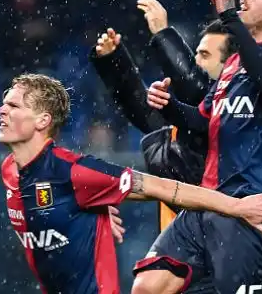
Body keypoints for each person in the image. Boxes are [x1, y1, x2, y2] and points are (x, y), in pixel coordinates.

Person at [0, 73, 262, 294]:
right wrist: (90, 216)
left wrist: (237, 206)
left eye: (12, 105)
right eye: (3, 103)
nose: (1, 111)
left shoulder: (75, 172)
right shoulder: (10, 169)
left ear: (42, 120)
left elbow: (165, 188)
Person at [135, 0, 262, 293]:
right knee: (148, 286)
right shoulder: (232, 65)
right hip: (208, 202)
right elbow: (204, 120)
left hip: (251, 210)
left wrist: (230, 17)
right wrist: (168, 105)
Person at [90, 15, 236, 231]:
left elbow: (194, 88)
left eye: (204, 55)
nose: (195, 61)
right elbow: (143, 110)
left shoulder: (230, 117)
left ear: (230, 67)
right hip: (178, 240)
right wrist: (114, 61)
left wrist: (162, 32)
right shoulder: (186, 117)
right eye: (195, 53)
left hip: (216, 240)